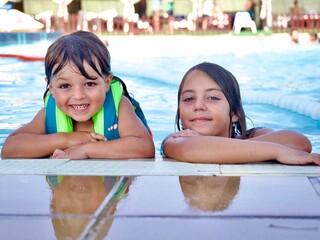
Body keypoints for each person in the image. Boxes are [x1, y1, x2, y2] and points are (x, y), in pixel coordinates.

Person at [1, 31, 155, 159]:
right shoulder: (50, 113)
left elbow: (145, 147)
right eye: (65, 86)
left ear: (107, 82)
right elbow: (10, 148)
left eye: (90, 84)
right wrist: (67, 139)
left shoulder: (120, 107)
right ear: (51, 88)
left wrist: (86, 150)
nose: (78, 95)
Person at [161, 62, 320, 165]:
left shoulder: (250, 136)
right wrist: (278, 150)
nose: (198, 106)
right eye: (188, 99)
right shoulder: (175, 140)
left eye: (212, 97)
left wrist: (218, 146)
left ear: (234, 113)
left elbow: (299, 142)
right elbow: (192, 150)